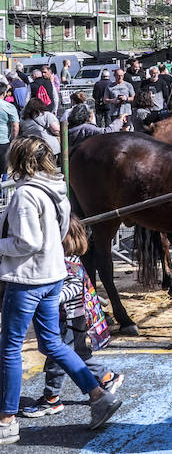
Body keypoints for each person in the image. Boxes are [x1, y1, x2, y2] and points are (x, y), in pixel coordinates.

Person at [0, 137, 123, 443]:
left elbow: (26, 243)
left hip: (27, 279)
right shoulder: (57, 189)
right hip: (52, 274)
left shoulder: (25, 194)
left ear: (20, 161)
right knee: (53, 343)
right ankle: (97, 395)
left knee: (10, 348)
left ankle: (6, 419)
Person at [18, 215, 121, 418]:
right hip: (71, 316)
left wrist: (52, 299)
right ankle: (107, 376)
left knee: (57, 357)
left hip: (71, 316)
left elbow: (74, 287)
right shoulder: (66, 260)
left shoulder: (68, 262)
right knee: (79, 353)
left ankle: (51, 398)